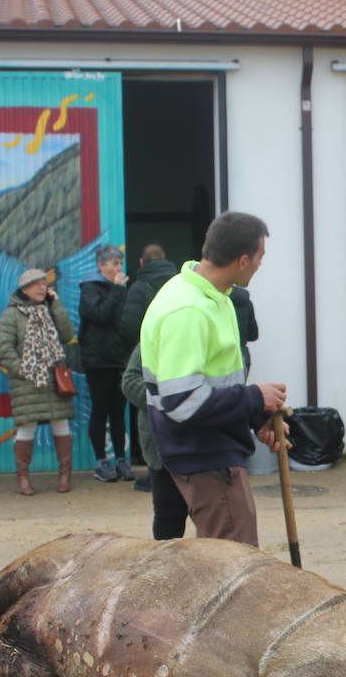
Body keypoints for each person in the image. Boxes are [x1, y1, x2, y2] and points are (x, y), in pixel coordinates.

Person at [140, 211, 287, 546]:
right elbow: (183, 401)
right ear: (243, 260)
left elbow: (217, 382)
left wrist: (258, 417)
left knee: (219, 561)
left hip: (209, 448)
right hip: (204, 455)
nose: (260, 266)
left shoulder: (213, 296)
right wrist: (253, 397)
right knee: (233, 563)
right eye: (260, 258)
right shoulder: (189, 310)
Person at [0, 268, 76, 496]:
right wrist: (23, 369)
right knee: (27, 426)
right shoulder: (11, 315)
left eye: (44, 283)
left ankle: (65, 474)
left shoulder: (51, 308)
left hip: (55, 379)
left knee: (61, 423)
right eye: (37, 284)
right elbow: (3, 348)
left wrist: (57, 306)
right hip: (27, 380)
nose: (43, 288)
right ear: (24, 289)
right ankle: (23, 477)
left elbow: (67, 335)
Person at [121, 242, 179, 475]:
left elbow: (128, 325)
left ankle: (147, 461)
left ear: (141, 263)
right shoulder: (179, 285)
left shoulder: (139, 286)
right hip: (177, 357)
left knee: (147, 416)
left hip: (146, 355)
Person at [79, 244, 134, 483]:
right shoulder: (90, 288)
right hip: (98, 359)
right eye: (113, 263)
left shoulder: (119, 290)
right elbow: (100, 315)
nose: (118, 268)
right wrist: (117, 290)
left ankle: (121, 459)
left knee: (118, 412)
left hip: (119, 358)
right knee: (100, 410)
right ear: (101, 266)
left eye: (120, 263)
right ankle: (101, 461)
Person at [122, 344, 188, 539]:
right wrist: (169, 404)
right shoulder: (154, 334)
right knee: (168, 517)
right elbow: (130, 380)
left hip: (204, 441)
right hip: (160, 441)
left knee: (209, 519)